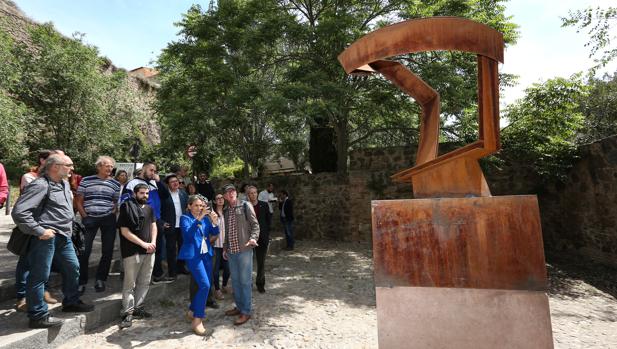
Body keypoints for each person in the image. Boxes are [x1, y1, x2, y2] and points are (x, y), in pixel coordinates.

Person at [12, 154, 94, 329]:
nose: (72, 168)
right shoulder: (40, 185)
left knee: (73, 267)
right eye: (69, 165)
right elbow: (19, 212)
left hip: (64, 237)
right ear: (55, 166)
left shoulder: (64, 183)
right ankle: (38, 316)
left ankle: (71, 302)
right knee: (39, 276)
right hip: (45, 239)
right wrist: (39, 231)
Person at [15, 150, 62, 311]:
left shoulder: (59, 181)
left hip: (46, 228)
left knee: (43, 264)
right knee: (26, 262)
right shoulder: (33, 178)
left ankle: (43, 292)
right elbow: (24, 208)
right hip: (31, 227)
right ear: (44, 161)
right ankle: (22, 296)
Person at [75, 156, 121, 293]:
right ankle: (81, 281)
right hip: (90, 218)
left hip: (108, 219)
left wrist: (113, 212)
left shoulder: (115, 184)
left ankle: (101, 279)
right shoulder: (86, 180)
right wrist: (84, 216)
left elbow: (115, 202)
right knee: (84, 251)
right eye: (107, 165)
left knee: (107, 251)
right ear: (99, 166)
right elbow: (78, 200)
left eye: (111, 166)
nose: (109, 168)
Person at [120, 162, 171, 283]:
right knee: (140, 249)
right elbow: (125, 204)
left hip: (156, 220)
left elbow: (166, 196)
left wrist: (159, 181)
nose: (153, 173)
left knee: (156, 248)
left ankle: (156, 275)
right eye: (151, 170)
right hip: (141, 221)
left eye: (155, 171)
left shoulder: (154, 183)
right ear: (144, 169)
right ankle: (135, 277)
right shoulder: (132, 183)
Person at [117, 183, 157, 329]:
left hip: (149, 251)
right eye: (142, 193)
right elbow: (125, 231)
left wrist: (152, 242)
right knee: (129, 284)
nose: (145, 196)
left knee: (145, 282)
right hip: (132, 252)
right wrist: (143, 244)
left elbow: (154, 226)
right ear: (135, 194)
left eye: (147, 193)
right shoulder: (126, 207)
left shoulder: (149, 208)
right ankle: (127, 313)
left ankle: (138, 308)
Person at [179, 195, 219, 336]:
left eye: (201, 206)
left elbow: (215, 233)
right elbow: (188, 236)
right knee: (205, 286)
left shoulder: (206, 219)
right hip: (193, 256)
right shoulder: (185, 218)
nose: (199, 208)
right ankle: (197, 320)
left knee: (206, 286)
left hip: (206, 255)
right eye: (196, 205)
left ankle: (192, 310)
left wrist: (214, 222)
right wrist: (200, 218)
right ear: (189, 206)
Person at [222, 184, 259, 326]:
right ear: (225, 196)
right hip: (231, 251)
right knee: (236, 282)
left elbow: (255, 225)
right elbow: (226, 231)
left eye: (232, 191)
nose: (230, 194)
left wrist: (253, 238)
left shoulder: (245, 206)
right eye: (227, 192)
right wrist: (225, 248)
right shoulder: (226, 211)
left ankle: (246, 311)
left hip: (244, 250)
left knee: (245, 281)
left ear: (236, 193)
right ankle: (239, 307)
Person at [161, 174, 189, 278]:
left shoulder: (183, 194)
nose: (175, 183)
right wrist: (162, 222)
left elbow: (187, 208)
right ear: (168, 184)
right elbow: (160, 210)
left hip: (182, 226)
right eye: (172, 181)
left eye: (176, 181)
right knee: (171, 249)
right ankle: (172, 271)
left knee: (183, 247)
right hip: (170, 226)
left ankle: (181, 267)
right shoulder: (164, 195)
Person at [247, 186, 271, 293]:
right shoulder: (245, 206)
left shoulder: (264, 205)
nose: (253, 195)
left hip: (262, 238)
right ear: (248, 195)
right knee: (247, 263)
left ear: (257, 193)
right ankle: (248, 284)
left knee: (261, 262)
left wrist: (266, 234)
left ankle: (260, 283)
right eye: (251, 193)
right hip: (248, 238)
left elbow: (268, 221)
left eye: (254, 193)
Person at [211, 193, 230, 300]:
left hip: (226, 246)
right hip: (215, 246)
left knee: (228, 269)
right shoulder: (211, 214)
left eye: (222, 198)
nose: (220, 200)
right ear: (214, 201)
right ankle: (217, 290)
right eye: (217, 198)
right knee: (216, 270)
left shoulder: (227, 212)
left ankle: (224, 285)